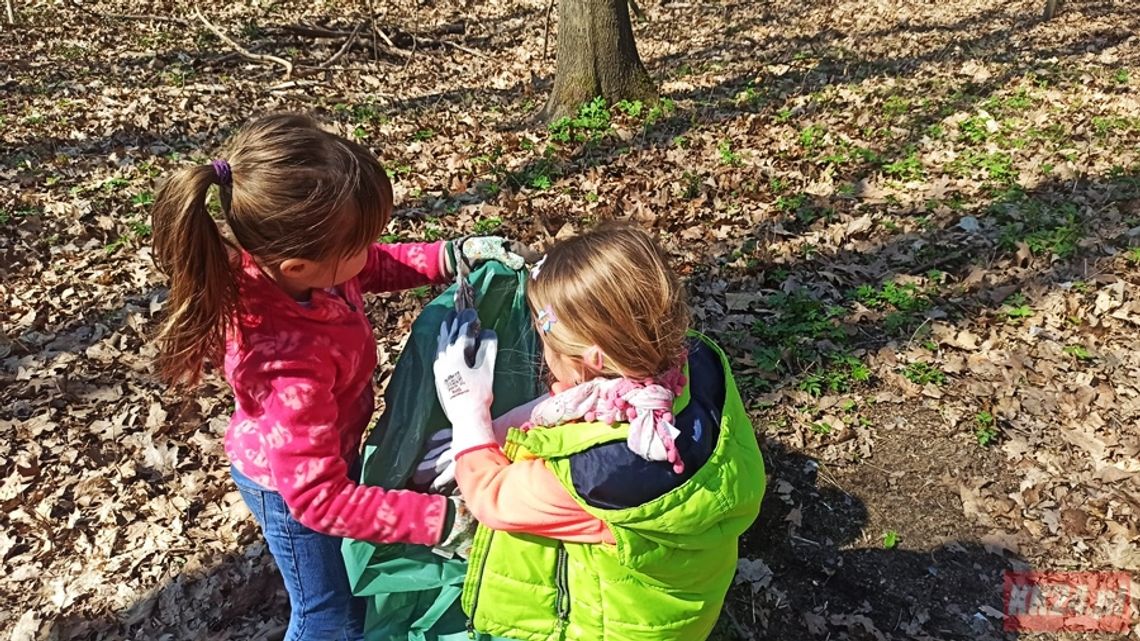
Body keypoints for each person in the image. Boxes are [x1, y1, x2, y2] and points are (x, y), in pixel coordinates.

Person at [150, 113, 524, 641]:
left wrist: (448, 256)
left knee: (341, 588)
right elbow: (319, 500)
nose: (366, 252)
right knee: (328, 615)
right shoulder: (289, 367)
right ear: (302, 265)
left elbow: (369, 265)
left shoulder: (296, 269)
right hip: (290, 490)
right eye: (356, 244)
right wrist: (443, 521)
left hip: (320, 457)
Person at [429, 224, 767, 641]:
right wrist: (500, 430)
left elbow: (491, 497)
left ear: (591, 357)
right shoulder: (695, 361)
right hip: (679, 595)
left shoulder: (599, 475)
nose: (546, 355)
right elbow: (579, 395)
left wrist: (468, 414)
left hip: (613, 626)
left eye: (550, 346)